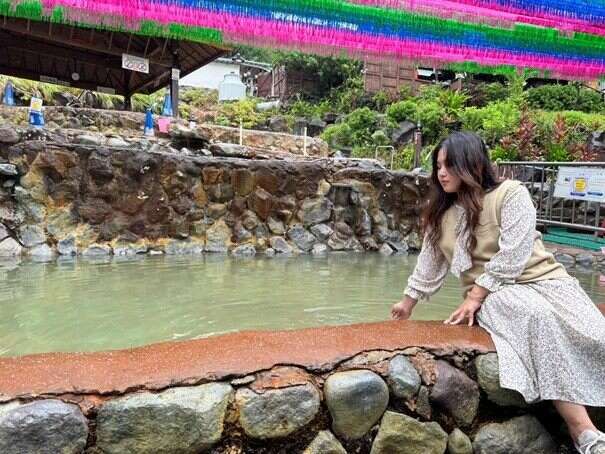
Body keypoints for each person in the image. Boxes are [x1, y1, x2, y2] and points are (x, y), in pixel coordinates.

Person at [391, 131, 605, 454]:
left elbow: (514, 253)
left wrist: (473, 297)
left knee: (597, 333)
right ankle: (584, 432)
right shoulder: (440, 214)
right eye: (438, 166)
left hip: (547, 282)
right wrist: (407, 304)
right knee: (538, 318)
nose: (442, 173)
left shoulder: (511, 194)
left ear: (472, 164)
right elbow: (428, 263)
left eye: (449, 165)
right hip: (497, 294)